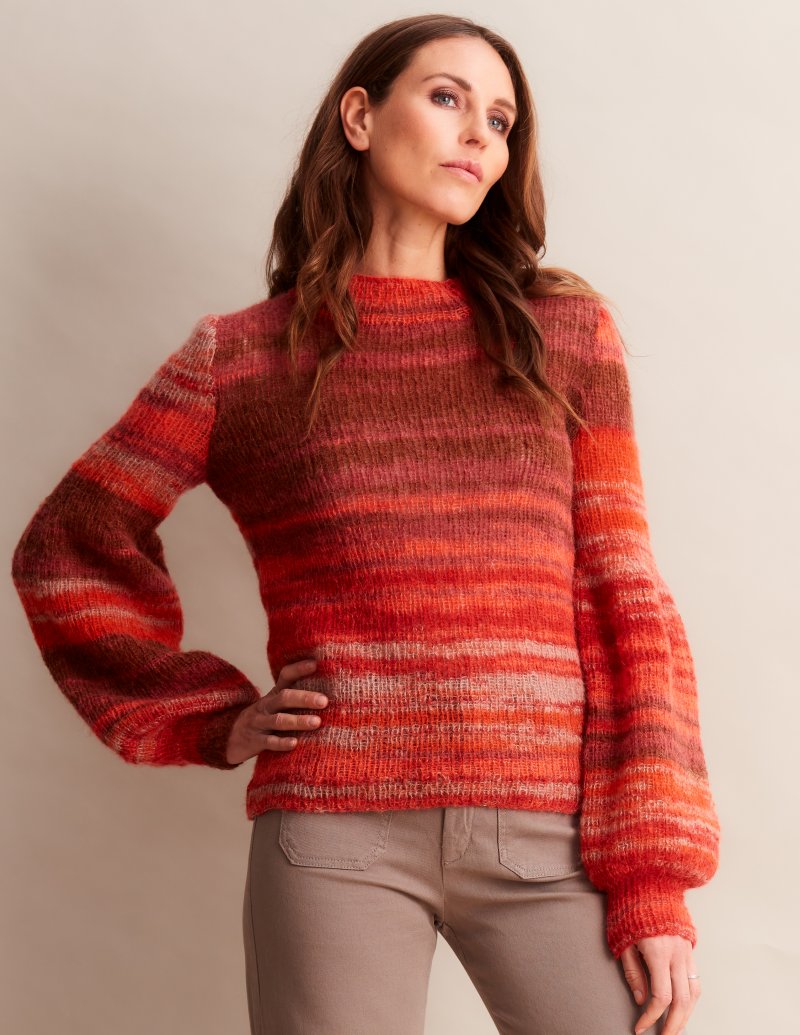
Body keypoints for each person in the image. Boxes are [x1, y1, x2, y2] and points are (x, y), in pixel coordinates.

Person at [10, 13, 720, 1035]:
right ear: (359, 116)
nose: (478, 135)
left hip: (548, 834)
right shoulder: (239, 360)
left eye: (500, 120)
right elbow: (67, 546)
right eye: (447, 98)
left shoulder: (562, 338)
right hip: (334, 834)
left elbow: (626, 597)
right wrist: (208, 716)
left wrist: (652, 875)